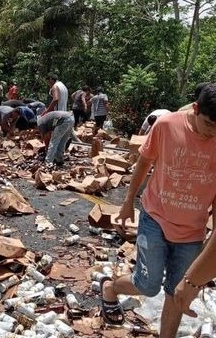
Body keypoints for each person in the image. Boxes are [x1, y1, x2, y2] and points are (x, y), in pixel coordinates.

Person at [102, 83, 216, 337]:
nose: (213, 132)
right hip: (155, 218)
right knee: (147, 285)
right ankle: (110, 287)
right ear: (196, 109)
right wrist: (128, 201)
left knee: (177, 294)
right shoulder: (166, 125)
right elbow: (144, 161)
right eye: (209, 124)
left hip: (193, 233)